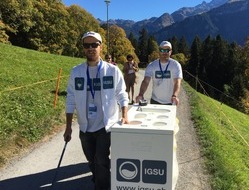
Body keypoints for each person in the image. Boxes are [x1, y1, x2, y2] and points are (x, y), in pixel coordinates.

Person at [63, 31, 129, 190]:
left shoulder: (112, 71)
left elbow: (121, 93)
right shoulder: (76, 72)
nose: (91, 48)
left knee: (101, 159)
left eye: (94, 45)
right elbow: (70, 99)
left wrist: (124, 115)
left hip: (105, 125)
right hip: (85, 126)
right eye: (87, 45)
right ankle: (99, 178)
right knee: (92, 160)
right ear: (83, 48)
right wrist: (68, 127)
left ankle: (102, 185)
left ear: (101, 47)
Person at [136, 41, 183, 105]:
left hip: (170, 101)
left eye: (167, 50)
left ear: (171, 51)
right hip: (155, 101)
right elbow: (146, 81)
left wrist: (174, 96)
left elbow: (177, 82)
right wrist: (140, 94)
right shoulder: (152, 65)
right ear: (159, 51)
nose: (164, 52)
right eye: (162, 50)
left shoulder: (176, 65)